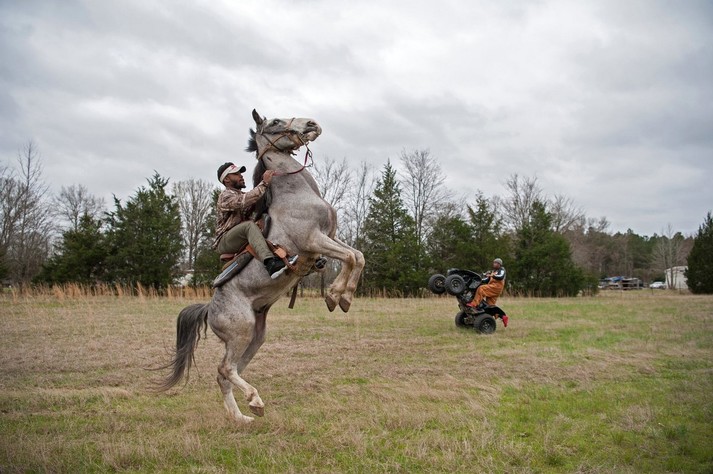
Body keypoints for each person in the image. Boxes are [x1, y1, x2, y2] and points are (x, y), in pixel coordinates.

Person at [212, 162, 297, 279]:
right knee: (249, 226)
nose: (241, 176)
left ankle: (286, 255)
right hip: (225, 241)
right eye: (236, 174)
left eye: (240, 173)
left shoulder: (241, 194)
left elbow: (255, 201)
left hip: (239, 235)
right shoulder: (225, 196)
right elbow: (243, 201)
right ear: (226, 179)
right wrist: (264, 183)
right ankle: (270, 263)